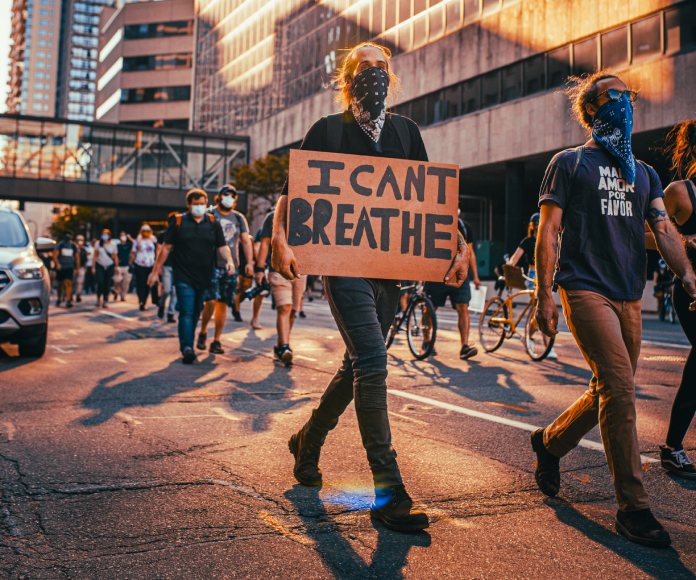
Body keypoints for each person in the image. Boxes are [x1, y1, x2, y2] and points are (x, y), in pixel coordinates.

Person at [272, 42, 469, 532]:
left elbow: (431, 204)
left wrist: (461, 244)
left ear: (392, 76)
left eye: (382, 67)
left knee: (357, 363)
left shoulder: (406, 132)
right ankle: (389, 490)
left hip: (390, 273)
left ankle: (308, 440)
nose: (375, 74)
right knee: (374, 362)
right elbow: (290, 195)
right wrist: (279, 240)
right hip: (341, 268)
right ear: (348, 76)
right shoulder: (327, 131)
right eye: (366, 67)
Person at [532, 72, 696, 548]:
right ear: (592, 109)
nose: (624, 101)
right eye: (613, 95)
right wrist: (544, 293)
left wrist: (687, 274)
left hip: (628, 293)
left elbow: (664, 230)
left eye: (629, 95)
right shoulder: (570, 163)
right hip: (584, 288)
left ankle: (550, 443)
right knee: (621, 388)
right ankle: (634, 508)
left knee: (608, 387)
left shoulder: (645, 174)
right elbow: (548, 231)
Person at [650, 120, 696, 478]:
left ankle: (673, 446)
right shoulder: (680, 192)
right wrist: (687, 244)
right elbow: (649, 233)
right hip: (692, 288)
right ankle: (672, 447)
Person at [147, 188, 235, 364]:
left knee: (196, 312)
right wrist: (155, 272)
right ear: (188, 205)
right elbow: (166, 248)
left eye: (202, 204)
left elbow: (222, 246)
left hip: (204, 276)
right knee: (186, 311)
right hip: (183, 276)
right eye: (196, 204)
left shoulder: (212, 222)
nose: (199, 207)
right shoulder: (179, 222)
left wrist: (230, 261)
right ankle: (187, 348)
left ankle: (189, 343)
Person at [197, 184, 254, 354]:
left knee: (223, 303)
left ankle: (216, 340)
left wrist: (249, 262)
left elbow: (245, 241)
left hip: (230, 266)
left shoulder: (238, 218)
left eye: (232, 195)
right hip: (211, 263)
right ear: (219, 196)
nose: (229, 197)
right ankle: (203, 331)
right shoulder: (211, 214)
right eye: (226, 194)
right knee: (211, 300)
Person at [425, 216, 481, 360]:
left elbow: (470, 252)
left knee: (463, 307)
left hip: (459, 274)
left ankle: (464, 346)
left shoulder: (464, 225)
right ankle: (426, 340)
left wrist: (475, 276)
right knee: (431, 308)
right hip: (437, 273)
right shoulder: (436, 220)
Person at [256, 209, 306, 365]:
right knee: (285, 307)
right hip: (278, 269)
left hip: (301, 270)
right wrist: (259, 269)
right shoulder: (273, 216)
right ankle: (285, 346)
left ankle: (281, 345)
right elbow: (264, 243)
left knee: (293, 311)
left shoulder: (307, 213)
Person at [509, 212, 558, 359]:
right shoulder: (529, 241)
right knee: (541, 308)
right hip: (533, 275)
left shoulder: (550, 240)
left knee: (545, 308)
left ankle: (543, 344)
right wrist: (510, 268)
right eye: (537, 224)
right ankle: (537, 341)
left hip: (549, 275)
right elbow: (514, 259)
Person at [130, 224, 158, 311]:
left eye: (147, 230)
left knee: (148, 284)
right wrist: (130, 263)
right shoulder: (138, 240)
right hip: (140, 264)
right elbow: (133, 252)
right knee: (140, 283)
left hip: (150, 264)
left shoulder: (153, 239)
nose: (146, 232)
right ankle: (141, 301)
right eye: (144, 231)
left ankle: (145, 301)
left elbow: (158, 250)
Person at [157, 218, 177, 323]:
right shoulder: (163, 235)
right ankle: (161, 304)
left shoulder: (182, 234)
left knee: (175, 291)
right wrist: (157, 268)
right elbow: (159, 250)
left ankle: (170, 313)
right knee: (166, 290)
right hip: (166, 266)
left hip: (178, 267)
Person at [92, 228, 119, 309]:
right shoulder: (98, 243)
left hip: (109, 265)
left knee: (107, 284)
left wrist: (116, 267)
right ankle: (98, 299)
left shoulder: (113, 244)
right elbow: (95, 256)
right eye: (103, 234)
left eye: (106, 234)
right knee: (100, 282)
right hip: (100, 265)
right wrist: (93, 267)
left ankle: (105, 300)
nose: (105, 235)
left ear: (109, 235)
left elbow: (115, 256)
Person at [249, 226, 268, 330]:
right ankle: (255, 318)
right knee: (260, 293)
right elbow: (257, 246)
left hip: (278, 266)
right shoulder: (263, 229)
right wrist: (261, 265)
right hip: (265, 266)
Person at [53, 233, 80, 308]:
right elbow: (55, 255)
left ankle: (68, 300)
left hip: (69, 267)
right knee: (60, 284)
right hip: (61, 267)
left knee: (68, 283)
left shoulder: (73, 246)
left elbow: (77, 257)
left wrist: (77, 268)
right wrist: (57, 264)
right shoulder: (60, 245)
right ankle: (59, 298)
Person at [114, 231, 133, 302]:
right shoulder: (117, 245)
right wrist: (116, 265)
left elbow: (136, 244)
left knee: (126, 283)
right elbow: (115, 255)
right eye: (121, 235)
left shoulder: (128, 245)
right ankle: (117, 291)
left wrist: (130, 238)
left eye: (124, 235)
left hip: (126, 266)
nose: (123, 237)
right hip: (119, 266)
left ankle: (123, 296)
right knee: (117, 281)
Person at [74, 235, 88, 302]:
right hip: (73, 268)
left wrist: (85, 268)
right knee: (73, 282)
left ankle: (78, 294)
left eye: (82, 240)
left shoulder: (84, 250)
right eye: (79, 240)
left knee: (80, 282)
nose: (80, 241)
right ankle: (68, 295)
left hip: (81, 268)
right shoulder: (73, 248)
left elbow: (85, 260)